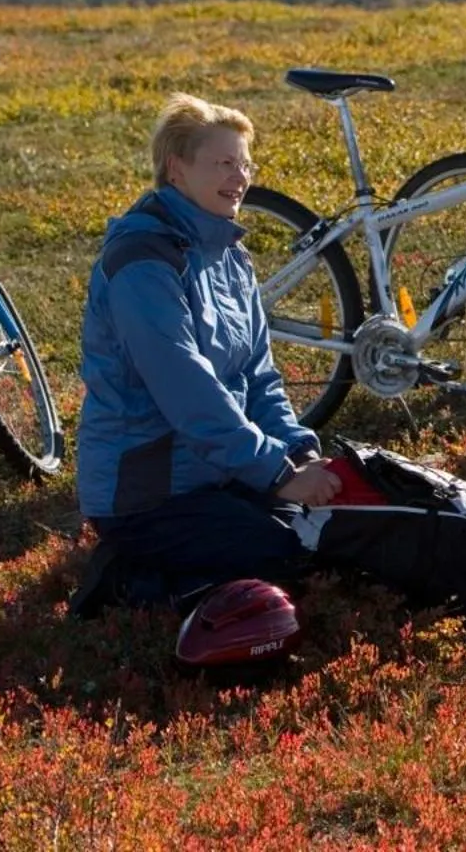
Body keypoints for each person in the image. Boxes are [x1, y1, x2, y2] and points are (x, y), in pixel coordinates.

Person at [74, 94, 341, 608]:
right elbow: (188, 392)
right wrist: (279, 475)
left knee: (327, 534)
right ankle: (126, 579)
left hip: (220, 472)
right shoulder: (142, 264)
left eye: (245, 164)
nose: (240, 177)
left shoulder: (230, 255)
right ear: (176, 170)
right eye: (223, 163)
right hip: (148, 496)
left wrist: (298, 453)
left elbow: (259, 377)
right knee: (286, 553)